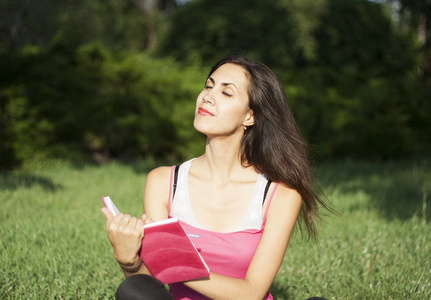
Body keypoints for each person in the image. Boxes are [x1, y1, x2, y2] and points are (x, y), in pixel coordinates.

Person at [102, 57, 331, 300]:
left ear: (250, 116)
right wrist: (129, 261)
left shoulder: (280, 194)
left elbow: (252, 293)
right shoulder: (163, 182)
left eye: (226, 93)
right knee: (133, 291)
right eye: (209, 86)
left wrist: (175, 263)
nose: (208, 97)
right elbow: (152, 287)